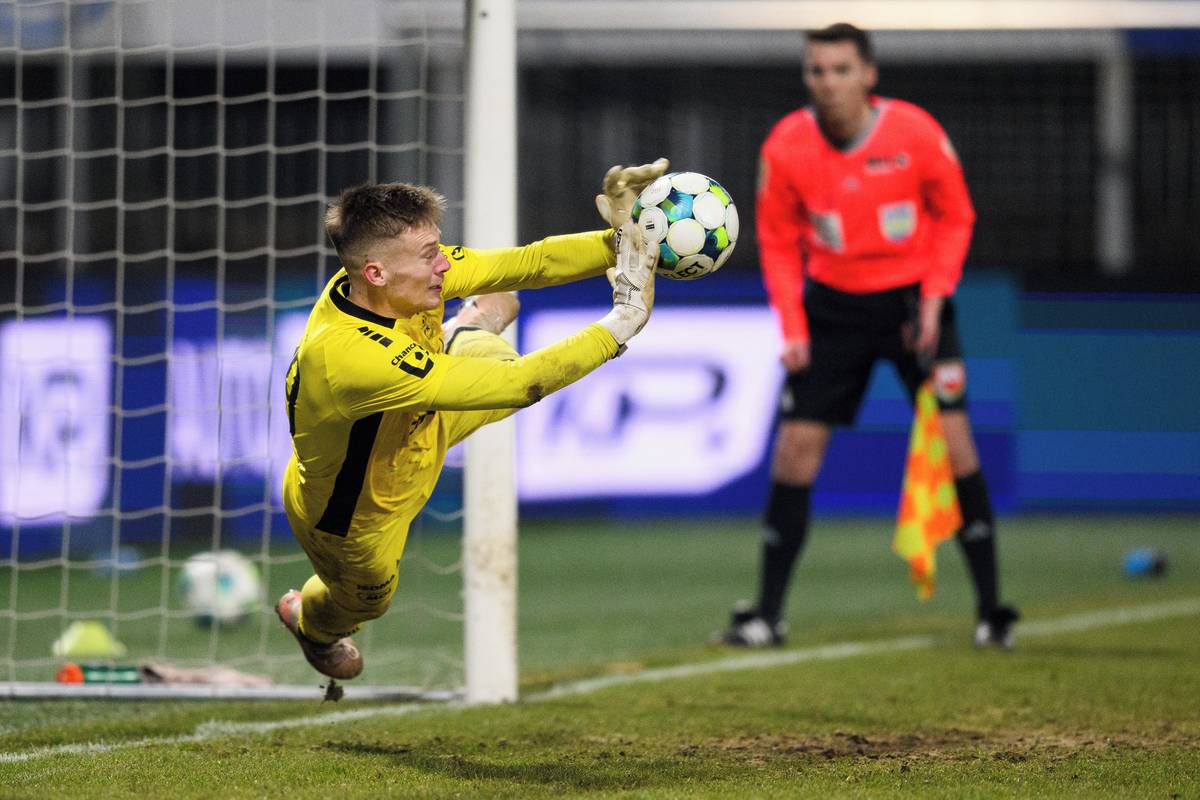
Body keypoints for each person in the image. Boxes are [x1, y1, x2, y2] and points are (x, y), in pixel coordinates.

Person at [278, 161, 667, 680]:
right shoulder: (350, 356)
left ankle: (469, 327)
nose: (444, 264)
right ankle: (312, 625)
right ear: (376, 272)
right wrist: (621, 324)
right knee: (368, 601)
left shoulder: (397, 276)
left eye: (439, 248)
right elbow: (521, 387)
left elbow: (531, 262)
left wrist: (624, 240)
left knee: (499, 335)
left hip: (417, 425)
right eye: (429, 255)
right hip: (355, 519)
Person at [715, 23, 1018, 649]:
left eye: (841, 69)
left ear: (869, 75)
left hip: (913, 307)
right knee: (794, 453)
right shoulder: (787, 145)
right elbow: (775, 241)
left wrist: (935, 296)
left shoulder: (915, 133)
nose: (828, 82)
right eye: (817, 70)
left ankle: (992, 612)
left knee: (957, 447)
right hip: (833, 311)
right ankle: (768, 616)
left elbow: (957, 215)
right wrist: (793, 327)